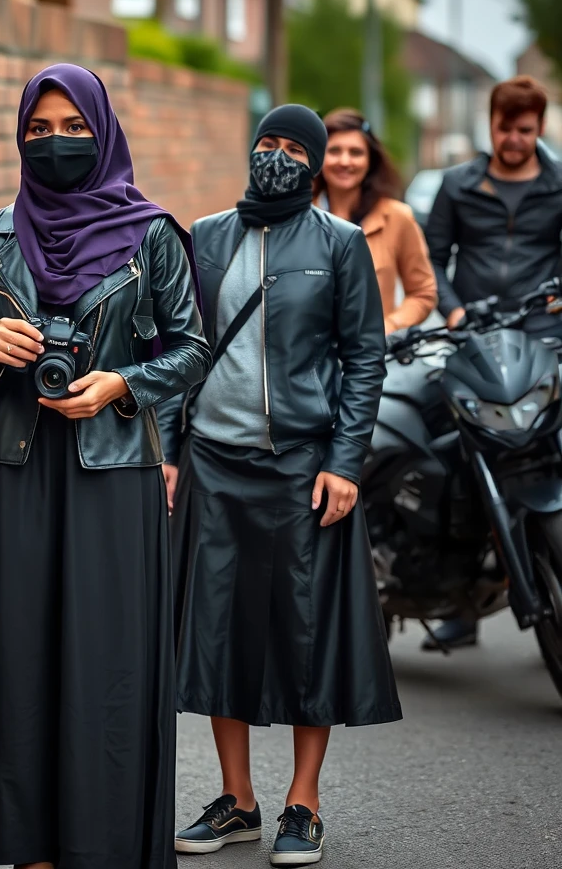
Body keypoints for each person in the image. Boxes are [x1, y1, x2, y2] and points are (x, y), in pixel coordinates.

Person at [0, 63, 211, 869]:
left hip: (113, 469)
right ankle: (28, 849)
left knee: (108, 663)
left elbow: (194, 348)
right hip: (11, 470)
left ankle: (102, 844)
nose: (56, 144)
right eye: (39, 130)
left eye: (74, 128)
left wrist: (124, 382)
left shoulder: (153, 232)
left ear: (105, 131)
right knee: (17, 659)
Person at [162, 105, 401, 867]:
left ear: (317, 161)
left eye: (294, 147)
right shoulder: (206, 237)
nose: (277, 156)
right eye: (267, 142)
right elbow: (180, 350)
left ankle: (305, 802)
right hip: (214, 464)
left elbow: (365, 358)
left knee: (305, 634)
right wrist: (168, 450)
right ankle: (238, 800)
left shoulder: (340, 244)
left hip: (303, 468)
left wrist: (346, 461)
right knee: (217, 632)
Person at [423, 74, 562, 651]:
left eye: (524, 130)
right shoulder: (458, 185)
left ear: (541, 127)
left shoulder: (559, 184)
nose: (513, 140)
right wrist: (452, 312)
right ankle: (466, 603)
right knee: (466, 462)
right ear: (492, 124)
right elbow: (431, 257)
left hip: (545, 337)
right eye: (505, 128)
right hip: (476, 339)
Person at [314, 108, 436, 333]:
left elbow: (423, 293)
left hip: (370, 360)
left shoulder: (397, 217)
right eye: (334, 151)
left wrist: (388, 326)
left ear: (370, 160)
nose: (344, 161)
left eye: (356, 152)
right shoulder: (301, 215)